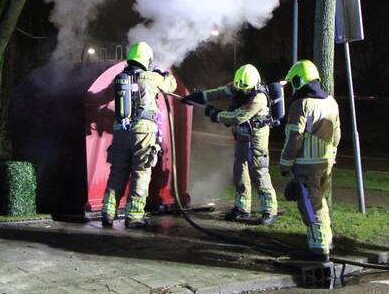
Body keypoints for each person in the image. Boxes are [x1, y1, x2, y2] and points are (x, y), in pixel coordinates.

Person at [183, 64, 278, 225]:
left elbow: (237, 116)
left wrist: (216, 115)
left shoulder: (258, 98)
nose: (242, 92)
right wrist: (200, 97)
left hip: (256, 139)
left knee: (259, 173)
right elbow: (220, 92)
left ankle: (270, 210)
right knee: (240, 173)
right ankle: (242, 208)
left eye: (244, 90)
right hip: (242, 136)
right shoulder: (240, 84)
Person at [102, 41, 177, 228]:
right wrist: (165, 74)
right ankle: (134, 215)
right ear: (147, 59)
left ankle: (108, 213)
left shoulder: (120, 77)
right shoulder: (151, 77)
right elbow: (171, 85)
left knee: (117, 173)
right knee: (141, 172)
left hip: (121, 131)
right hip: (143, 132)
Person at [278, 60, 341, 260]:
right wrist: (332, 155)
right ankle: (327, 240)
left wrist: (285, 164)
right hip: (326, 163)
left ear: (299, 80)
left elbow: (294, 137)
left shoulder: (301, 104)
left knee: (310, 207)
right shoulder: (331, 101)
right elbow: (337, 134)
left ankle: (319, 249)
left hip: (306, 166)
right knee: (320, 202)